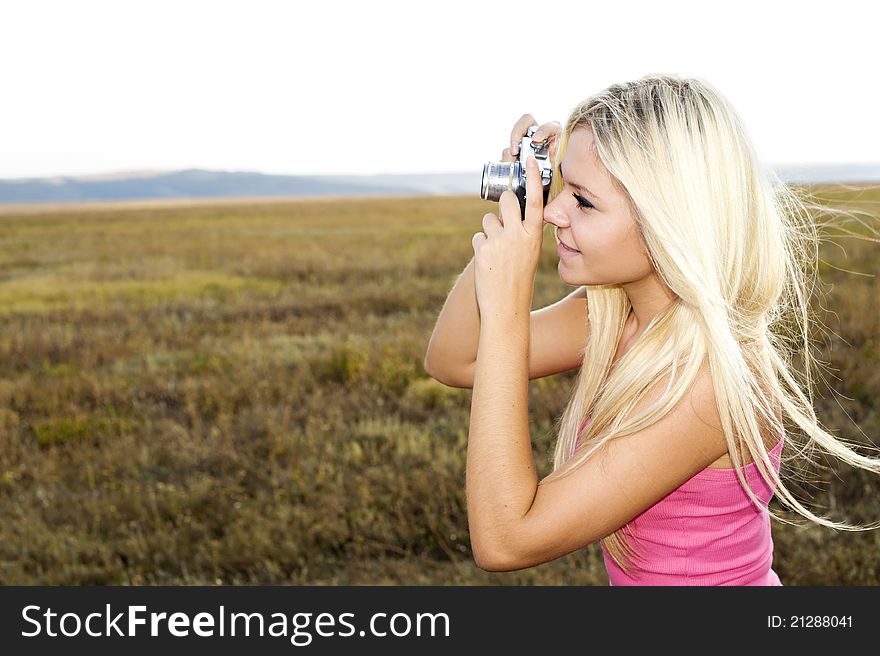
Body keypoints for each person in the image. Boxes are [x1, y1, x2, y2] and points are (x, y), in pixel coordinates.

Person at [423, 73, 880, 585]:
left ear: (668, 220)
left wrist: (507, 311)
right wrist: (518, 201)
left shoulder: (715, 380)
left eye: (584, 200)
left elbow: (507, 539)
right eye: (559, 188)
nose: (553, 213)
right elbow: (453, 359)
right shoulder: (611, 316)